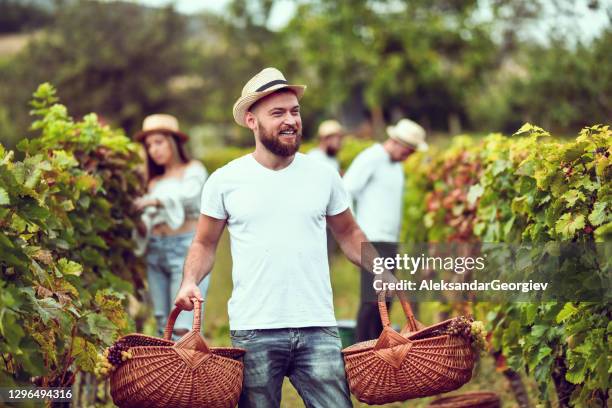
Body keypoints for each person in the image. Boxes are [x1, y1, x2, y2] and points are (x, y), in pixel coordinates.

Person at [173, 67, 396, 408]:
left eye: (294, 111)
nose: (290, 120)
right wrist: (190, 280)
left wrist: (377, 268)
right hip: (254, 329)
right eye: (277, 113)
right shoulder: (225, 180)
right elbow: (204, 243)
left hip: (318, 325)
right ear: (252, 120)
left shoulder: (324, 175)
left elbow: (349, 232)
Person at [343, 118, 427, 342]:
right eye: (408, 151)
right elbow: (346, 190)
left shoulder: (396, 166)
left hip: (389, 241)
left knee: (385, 301)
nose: (408, 156)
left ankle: (377, 355)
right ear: (397, 142)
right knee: (372, 301)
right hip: (371, 239)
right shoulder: (371, 157)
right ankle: (360, 352)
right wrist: (354, 228)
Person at [133, 113, 210, 339]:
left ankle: (190, 374)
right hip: (155, 250)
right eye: (149, 145)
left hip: (184, 249)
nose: (153, 150)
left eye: (159, 142)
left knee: (183, 325)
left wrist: (156, 201)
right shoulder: (153, 181)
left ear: (174, 142)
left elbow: (191, 195)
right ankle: (167, 374)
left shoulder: (193, 170)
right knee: (160, 322)